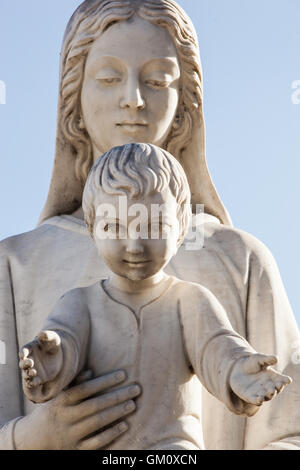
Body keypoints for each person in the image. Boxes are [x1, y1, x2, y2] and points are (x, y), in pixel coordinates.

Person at [0, 0, 299, 450]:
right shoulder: (15, 264)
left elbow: (287, 432)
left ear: (186, 104)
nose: (133, 99)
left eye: (158, 80)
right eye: (108, 78)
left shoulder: (241, 260)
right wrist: (35, 437)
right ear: (73, 97)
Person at [19, 144, 291, 450]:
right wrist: (50, 362)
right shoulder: (79, 304)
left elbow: (218, 348)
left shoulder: (188, 300)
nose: (134, 245)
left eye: (154, 227)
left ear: (180, 230)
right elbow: (63, 342)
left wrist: (238, 374)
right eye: (115, 227)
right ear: (93, 229)